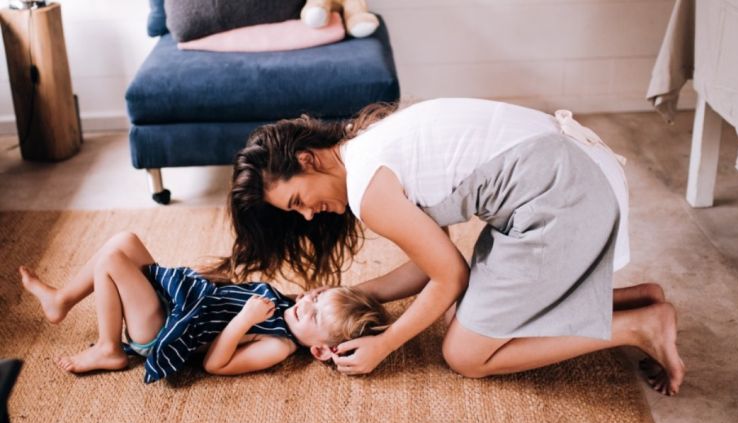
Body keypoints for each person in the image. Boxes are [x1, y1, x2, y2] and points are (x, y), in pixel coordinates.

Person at [219, 98, 686, 395]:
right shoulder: (368, 142)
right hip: (574, 171)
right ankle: (634, 300)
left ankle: (638, 327)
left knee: (465, 353)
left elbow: (450, 276)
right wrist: (346, 295)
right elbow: (429, 267)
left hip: (566, 197)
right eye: (294, 213)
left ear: (307, 159)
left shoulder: (367, 189)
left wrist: (385, 343)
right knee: (460, 313)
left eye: (298, 200)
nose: (306, 214)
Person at [19, 232, 387, 383]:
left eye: (317, 315)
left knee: (112, 261)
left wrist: (244, 321)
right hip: (179, 303)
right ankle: (62, 300)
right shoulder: (284, 306)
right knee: (124, 241)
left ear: (320, 349)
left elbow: (215, 364)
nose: (307, 303)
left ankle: (109, 348)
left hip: (164, 329)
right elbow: (237, 296)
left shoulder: (278, 345)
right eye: (316, 297)